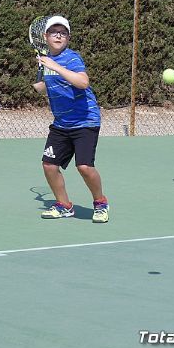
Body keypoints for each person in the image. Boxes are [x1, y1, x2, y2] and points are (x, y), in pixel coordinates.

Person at [33, 15, 109, 222]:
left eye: (63, 33)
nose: (58, 35)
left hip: (85, 120)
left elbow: (83, 82)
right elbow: (41, 88)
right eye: (54, 32)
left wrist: (54, 66)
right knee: (49, 164)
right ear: (45, 36)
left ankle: (101, 203)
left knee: (84, 167)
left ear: (68, 37)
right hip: (61, 123)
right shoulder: (45, 60)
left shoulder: (72, 58)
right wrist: (40, 76)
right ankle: (64, 205)